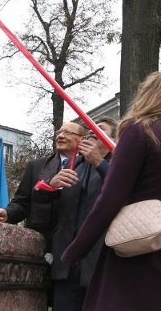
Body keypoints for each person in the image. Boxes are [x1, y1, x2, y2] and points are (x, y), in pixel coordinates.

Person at [61, 71, 161, 311]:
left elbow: (111, 197)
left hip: (143, 237)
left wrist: (77, 248)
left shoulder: (140, 130)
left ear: (149, 95)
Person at [45, 117, 117, 311]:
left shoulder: (118, 167)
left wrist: (100, 163)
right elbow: (45, 206)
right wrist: (51, 186)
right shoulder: (72, 165)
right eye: (90, 130)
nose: (92, 131)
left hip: (100, 265)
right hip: (67, 265)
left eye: (100, 129)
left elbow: (122, 192)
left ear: (113, 141)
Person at [0, 121, 85, 252]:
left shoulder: (91, 167)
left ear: (82, 139)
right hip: (42, 243)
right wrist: (8, 213)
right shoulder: (36, 166)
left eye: (67, 133)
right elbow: (22, 202)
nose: (60, 136)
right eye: (59, 132)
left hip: (77, 243)